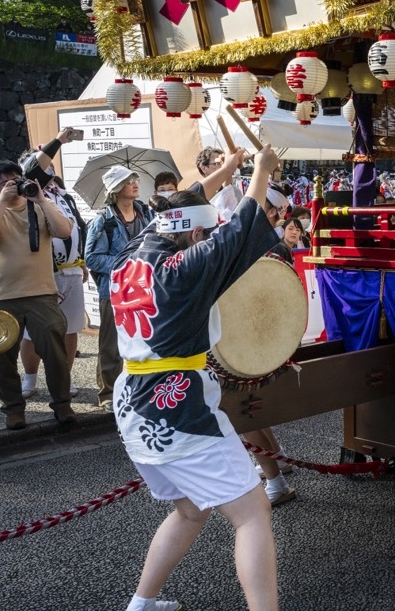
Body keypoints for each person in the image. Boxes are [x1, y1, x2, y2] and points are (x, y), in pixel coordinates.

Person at [111, 146, 281, 611]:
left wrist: (226, 170)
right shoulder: (185, 267)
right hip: (177, 407)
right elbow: (246, 221)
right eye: (203, 232)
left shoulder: (132, 252)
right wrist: (261, 171)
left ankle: (143, 604)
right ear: (196, 233)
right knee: (252, 513)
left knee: (190, 509)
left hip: (132, 404)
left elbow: (181, 205)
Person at [0, 159, 76, 429]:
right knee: (3, 358)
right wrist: (2, 202)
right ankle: (13, 410)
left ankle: (62, 404)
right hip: (1, 295)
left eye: (16, 181)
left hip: (41, 293)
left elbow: (64, 231)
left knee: (55, 353)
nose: (13, 187)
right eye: (5, 183)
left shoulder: (40, 207)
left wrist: (41, 199)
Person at [86, 169, 155, 413]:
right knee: (111, 344)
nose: (135, 184)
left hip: (144, 288)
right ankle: (107, 393)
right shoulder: (103, 221)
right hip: (114, 290)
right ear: (115, 189)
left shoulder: (147, 214)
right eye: (128, 181)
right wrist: (126, 264)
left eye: (135, 180)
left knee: (144, 339)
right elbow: (92, 258)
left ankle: (138, 390)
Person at [19, 175, 88, 397]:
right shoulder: (26, 195)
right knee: (33, 330)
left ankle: (64, 377)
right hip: (43, 273)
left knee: (71, 328)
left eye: (50, 170)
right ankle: (30, 378)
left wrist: (81, 260)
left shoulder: (65, 196)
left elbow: (78, 229)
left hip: (72, 269)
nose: (47, 174)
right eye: (43, 170)